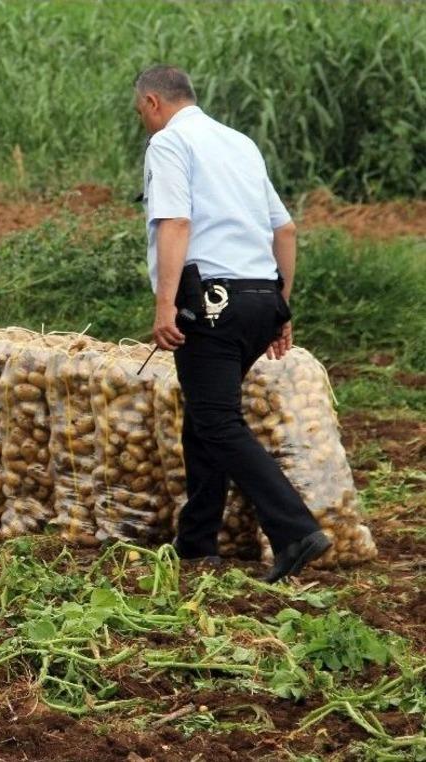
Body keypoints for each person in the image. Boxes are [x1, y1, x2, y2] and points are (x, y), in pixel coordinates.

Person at [134, 65, 330, 583]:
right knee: (205, 417)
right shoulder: (240, 143)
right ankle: (197, 543)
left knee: (217, 421)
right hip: (260, 296)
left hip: (212, 302)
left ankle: (295, 530)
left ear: (153, 103)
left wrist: (165, 304)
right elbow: (285, 229)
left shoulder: (169, 143)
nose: (144, 122)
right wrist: (280, 307)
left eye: (141, 112)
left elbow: (176, 222)